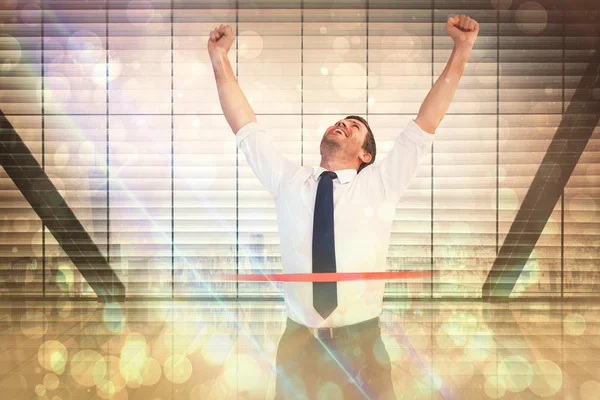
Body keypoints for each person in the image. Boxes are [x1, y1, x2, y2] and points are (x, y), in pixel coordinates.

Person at [208, 14, 479, 399]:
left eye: (354, 126)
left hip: (362, 344)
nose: (343, 123)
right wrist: (219, 58)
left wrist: (462, 49)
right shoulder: (289, 181)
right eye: (340, 120)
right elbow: (244, 126)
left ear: (366, 154)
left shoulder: (380, 186)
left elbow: (425, 124)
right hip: (299, 343)